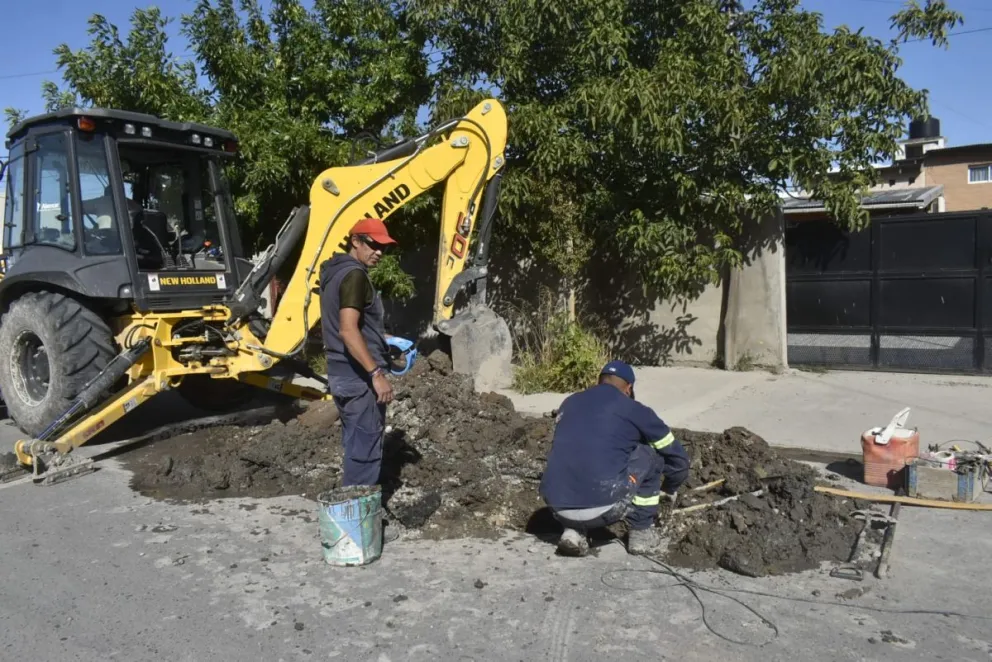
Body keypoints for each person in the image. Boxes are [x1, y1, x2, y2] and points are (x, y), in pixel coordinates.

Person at [538, 360, 691, 557]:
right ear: (629, 388)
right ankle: (641, 534)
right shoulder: (635, 410)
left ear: (600, 381)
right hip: (604, 509)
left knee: (582, 453)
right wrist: (670, 487)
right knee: (651, 455)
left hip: (556, 507)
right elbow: (677, 458)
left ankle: (574, 531)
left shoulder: (570, 402)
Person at [319, 217, 398, 487]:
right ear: (355, 241)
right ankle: (356, 524)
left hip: (341, 375)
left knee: (355, 446)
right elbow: (348, 330)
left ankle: (348, 516)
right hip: (359, 379)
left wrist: (380, 337)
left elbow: (348, 325)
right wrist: (376, 373)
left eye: (383, 248)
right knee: (365, 454)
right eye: (373, 244)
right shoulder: (354, 275)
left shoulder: (334, 273)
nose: (378, 252)